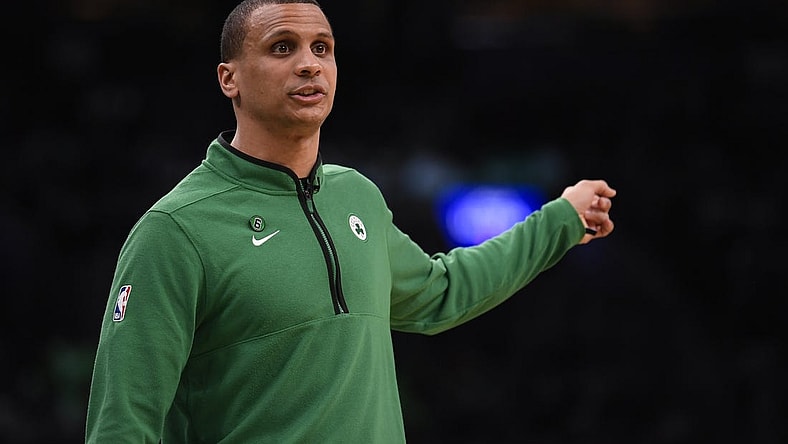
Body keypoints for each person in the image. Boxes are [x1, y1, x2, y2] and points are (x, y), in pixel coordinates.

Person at [84, 0, 616, 442]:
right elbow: (122, 424)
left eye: (323, 48)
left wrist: (561, 220)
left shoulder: (356, 196)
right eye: (282, 47)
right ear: (229, 79)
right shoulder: (175, 230)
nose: (310, 64)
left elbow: (443, 291)